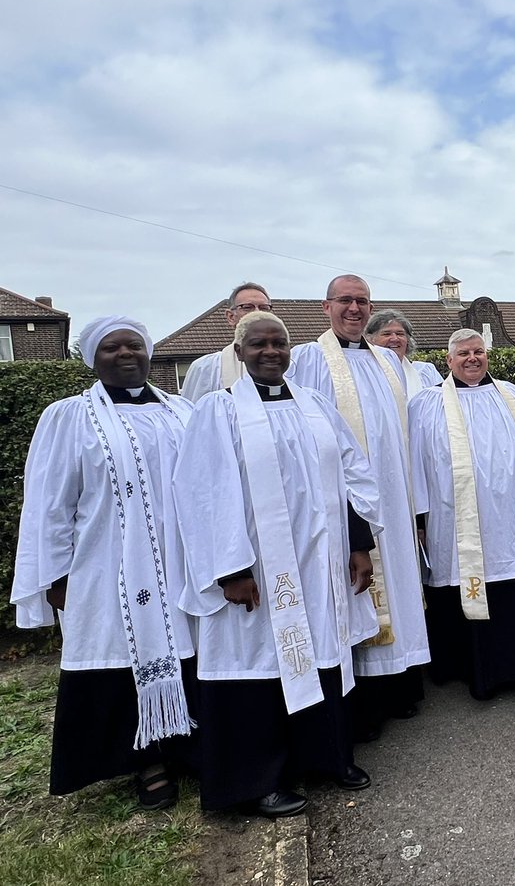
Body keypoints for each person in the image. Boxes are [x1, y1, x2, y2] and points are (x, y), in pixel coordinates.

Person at [175, 312, 380, 817]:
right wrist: (231, 570)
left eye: (280, 344)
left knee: (323, 653)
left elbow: (352, 474)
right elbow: (202, 492)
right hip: (260, 572)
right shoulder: (217, 411)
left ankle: (326, 757)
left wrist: (358, 544)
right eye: (259, 344)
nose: (271, 352)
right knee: (263, 664)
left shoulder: (314, 405)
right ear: (239, 351)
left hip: (321, 563)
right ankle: (260, 778)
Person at [11, 316, 196, 810]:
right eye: (111, 348)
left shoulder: (181, 410)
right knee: (119, 654)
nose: (125, 354)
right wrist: (54, 574)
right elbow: (50, 501)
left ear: (149, 352)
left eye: (133, 345)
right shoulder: (69, 416)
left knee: (188, 647)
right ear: (92, 358)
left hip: (179, 562)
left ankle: (188, 745)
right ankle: (144, 760)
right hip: (105, 563)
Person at [287, 275, 429, 741]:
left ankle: (400, 685)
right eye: (345, 300)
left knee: (401, 590)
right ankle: (362, 702)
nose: (354, 308)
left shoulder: (388, 360)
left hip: (395, 496)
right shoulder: (309, 359)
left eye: (362, 301)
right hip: (345, 504)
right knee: (355, 595)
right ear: (325, 307)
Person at [408, 328, 515, 700]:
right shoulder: (427, 404)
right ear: (449, 360)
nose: (472, 359)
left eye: (478, 352)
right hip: (456, 520)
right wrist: (420, 519)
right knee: (468, 589)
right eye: (463, 354)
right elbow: (416, 464)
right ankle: (479, 676)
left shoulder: (514, 396)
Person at [181, 282, 274, 401]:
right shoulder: (208, 368)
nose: (257, 313)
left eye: (264, 308)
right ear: (230, 317)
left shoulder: (289, 364)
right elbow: (193, 414)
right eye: (247, 307)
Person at [366, 309, 441, 397]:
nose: (395, 339)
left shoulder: (425, 371)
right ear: (370, 340)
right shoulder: (365, 372)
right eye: (386, 334)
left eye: (400, 334)